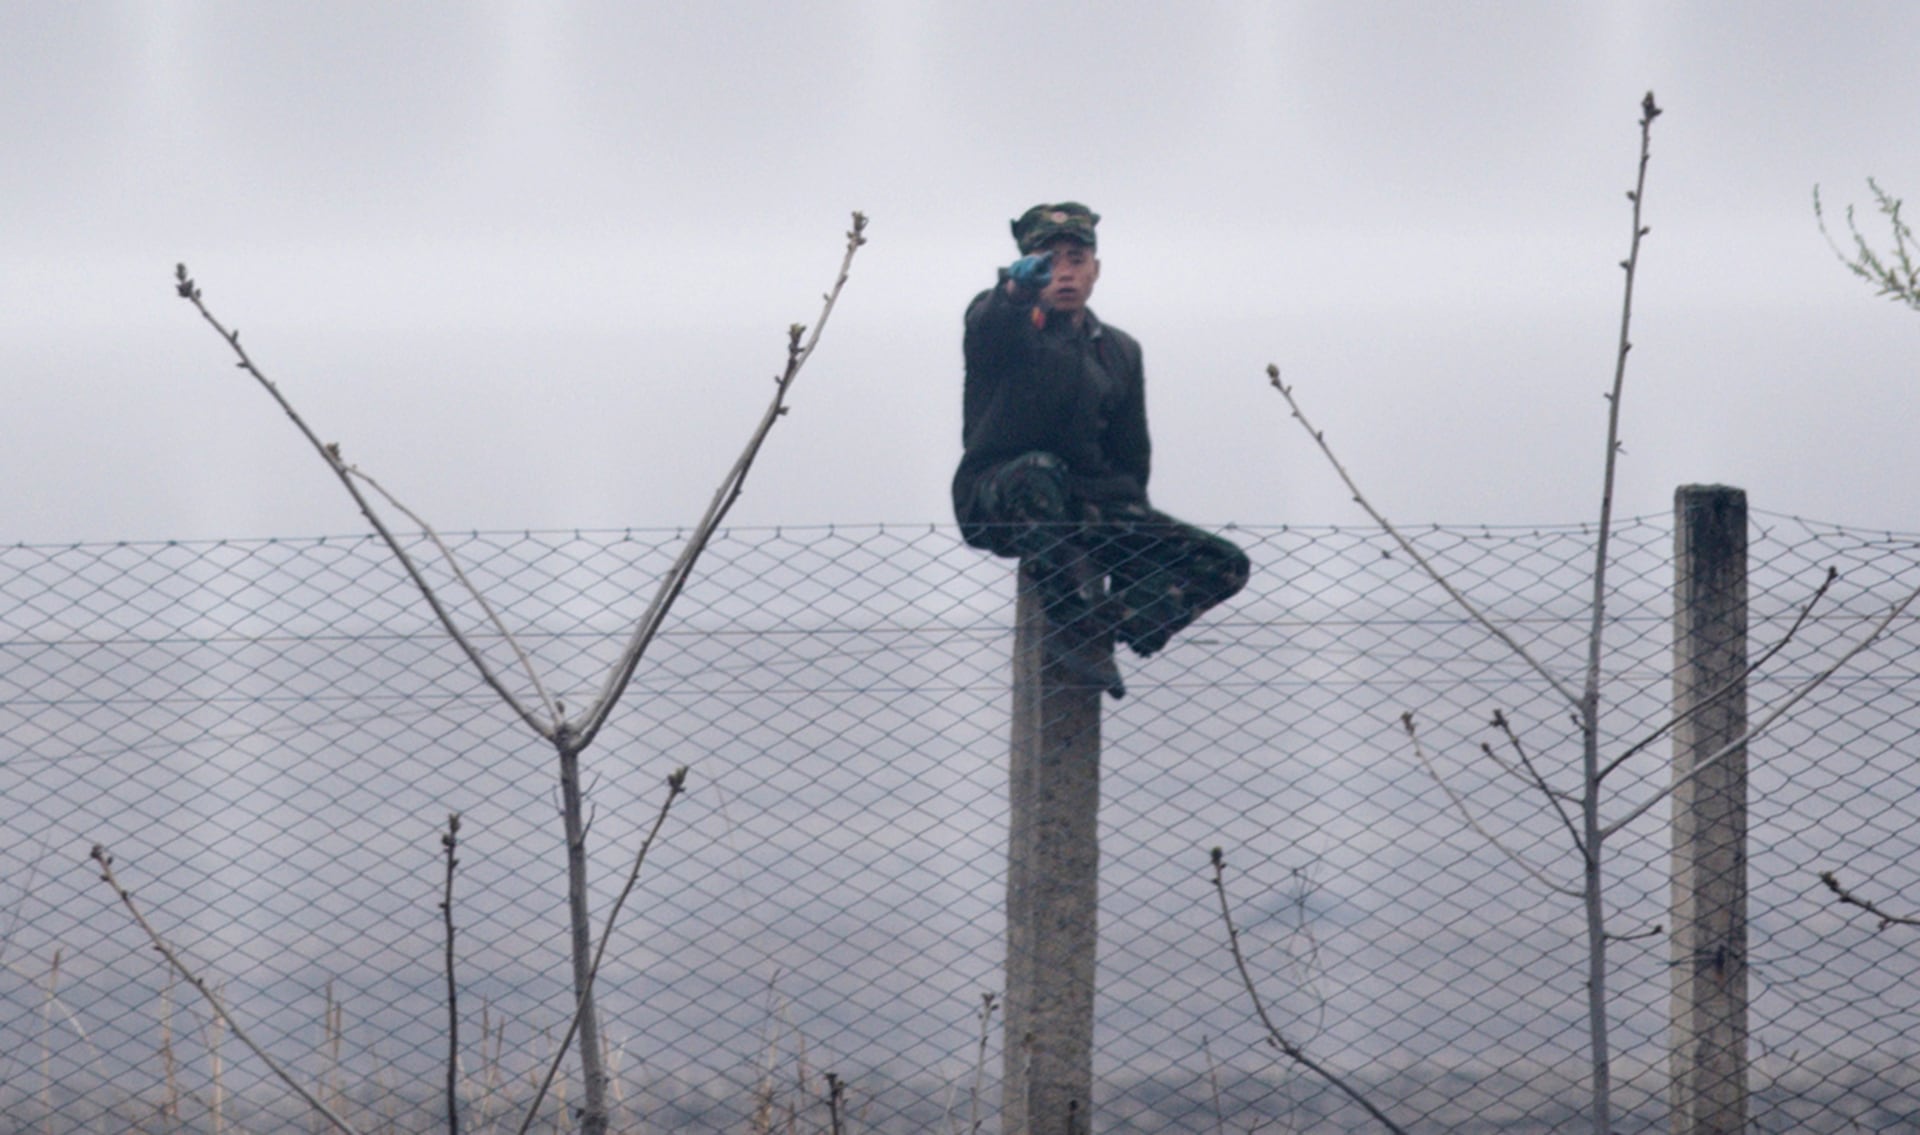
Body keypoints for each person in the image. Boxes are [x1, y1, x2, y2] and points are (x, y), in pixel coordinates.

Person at [953, 202, 1249, 698]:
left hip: (1084, 500)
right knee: (1039, 471)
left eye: (1076, 258)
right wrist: (1015, 290)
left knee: (1223, 562)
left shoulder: (1118, 350)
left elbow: (1131, 456)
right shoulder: (1005, 326)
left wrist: (1130, 540)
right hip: (999, 495)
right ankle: (1076, 634)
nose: (1064, 272)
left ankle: (1112, 624)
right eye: (1048, 259)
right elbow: (987, 325)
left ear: (1096, 269)